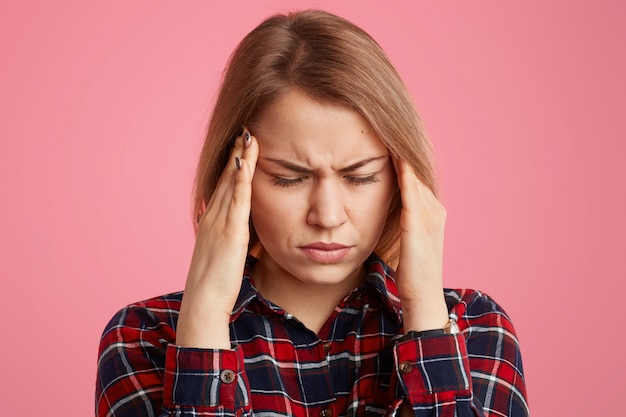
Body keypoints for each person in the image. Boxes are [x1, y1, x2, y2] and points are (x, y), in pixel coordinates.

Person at [96, 9, 529, 417]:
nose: (327, 216)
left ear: (402, 181)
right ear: (232, 176)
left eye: (359, 177)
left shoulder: (474, 329)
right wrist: (205, 317)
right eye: (290, 178)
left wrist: (425, 319)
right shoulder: (144, 338)